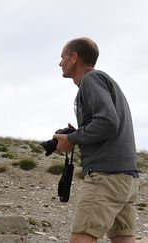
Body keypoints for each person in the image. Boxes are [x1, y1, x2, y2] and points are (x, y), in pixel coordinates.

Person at [53, 37, 139, 243]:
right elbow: (109, 121)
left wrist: (72, 139)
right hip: (126, 178)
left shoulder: (91, 80)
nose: (60, 63)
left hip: (105, 177)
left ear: (74, 57)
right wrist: (78, 133)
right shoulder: (105, 81)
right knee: (123, 238)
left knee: (81, 238)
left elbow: (108, 122)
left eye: (62, 57)